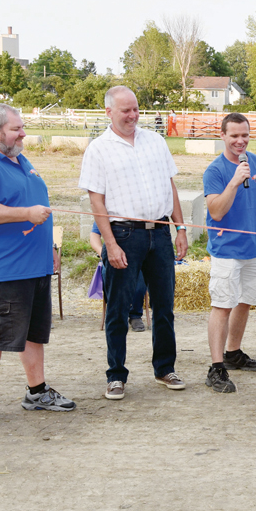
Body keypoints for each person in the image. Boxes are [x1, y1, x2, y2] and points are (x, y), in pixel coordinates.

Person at [0, 103, 75, 428]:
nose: (23, 133)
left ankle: (36, 392)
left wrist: (48, 245)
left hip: (33, 267)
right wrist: (25, 214)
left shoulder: (20, 161)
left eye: (22, 127)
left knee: (34, 334)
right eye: (16, 129)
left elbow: (36, 208)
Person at [79, 86, 189, 401]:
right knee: (117, 307)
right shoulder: (98, 149)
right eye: (125, 110)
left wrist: (180, 228)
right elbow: (96, 202)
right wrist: (110, 245)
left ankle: (164, 368)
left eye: (136, 109)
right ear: (109, 112)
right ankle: (116, 376)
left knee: (165, 306)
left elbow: (171, 186)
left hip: (161, 233)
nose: (132, 115)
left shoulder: (156, 141)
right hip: (124, 235)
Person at [203, 113, 256, 393]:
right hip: (226, 250)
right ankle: (216, 368)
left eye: (245, 135)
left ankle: (233, 353)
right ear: (222, 136)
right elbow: (216, 211)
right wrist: (234, 181)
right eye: (234, 136)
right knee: (223, 304)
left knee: (245, 301)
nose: (240, 141)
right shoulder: (215, 171)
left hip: (255, 248)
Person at [90, 222, 147, 332]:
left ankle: (135, 315)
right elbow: (94, 236)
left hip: (136, 257)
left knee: (140, 280)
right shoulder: (108, 212)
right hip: (112, 256)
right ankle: (115, 314)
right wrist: (103, 253)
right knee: (109, 277)